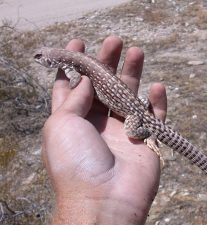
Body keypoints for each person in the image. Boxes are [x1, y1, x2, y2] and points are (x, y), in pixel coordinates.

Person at [42, 36, 167, 225]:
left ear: (53, 61)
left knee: (132, 133)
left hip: (134, 114)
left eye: (41, 57)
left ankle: (149, 134)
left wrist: (72, 80)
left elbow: (75, 81)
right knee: (140, 101)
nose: (39, 59)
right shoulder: (75, 59)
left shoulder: (71, 66)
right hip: (135, 103)